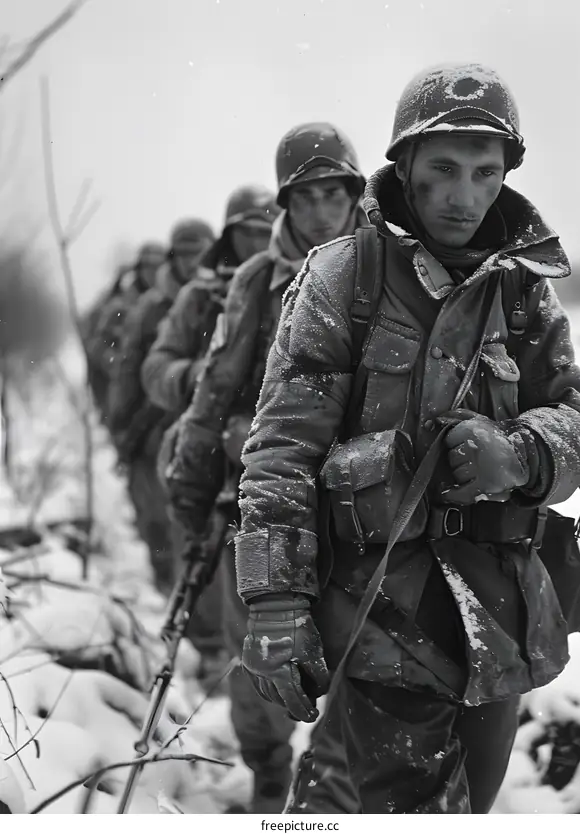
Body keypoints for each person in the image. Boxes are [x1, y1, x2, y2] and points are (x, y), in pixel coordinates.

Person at [233, 64, 580, 814]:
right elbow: (282, 452)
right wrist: (274, 601)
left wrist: (521, 453)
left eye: (484, 173)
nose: (463, 195)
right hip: (383, 612)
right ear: (404, 165)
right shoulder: (343, 279)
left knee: (475, 801)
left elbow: (577, 415)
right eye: (442, 170)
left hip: (499, 612)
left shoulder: (523, 286)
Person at [163, 123, 367, 813]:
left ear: (355, 193)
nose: (321, 213)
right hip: (255, 503)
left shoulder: (391, 265)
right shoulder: (255, 283)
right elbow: (210, 394)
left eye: (334, 194)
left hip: (363, 511)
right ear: (287, 202)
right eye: (305, 197)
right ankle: (270, 774)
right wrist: (194, 493)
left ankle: (329, 795)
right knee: (262, 668)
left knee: (365, 675)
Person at [107, 218, 215, 593]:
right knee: (160, 520)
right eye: (184, 254)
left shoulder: (225, 294)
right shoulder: (150, 308)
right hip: (156, 427)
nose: (192, 262)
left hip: (210, 430)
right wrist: (122, 427)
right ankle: (169, 591)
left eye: (199, 252)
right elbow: (129, 368)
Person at [141, 186, 279, 417]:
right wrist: (195, 375)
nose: (255, 243)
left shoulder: (293, 290)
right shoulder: (199, 297)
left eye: (264, 233)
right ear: (228, 236)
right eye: (245, 232)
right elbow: (154, 370)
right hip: (206, 427)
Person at [82, 241, 166, 420]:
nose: (153, 272)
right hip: (127, 393)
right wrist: (115, 362)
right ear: (139, 270)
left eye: (158, 266)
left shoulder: (169, 303)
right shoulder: (121, 307)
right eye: (148, 267)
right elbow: (97, 345)